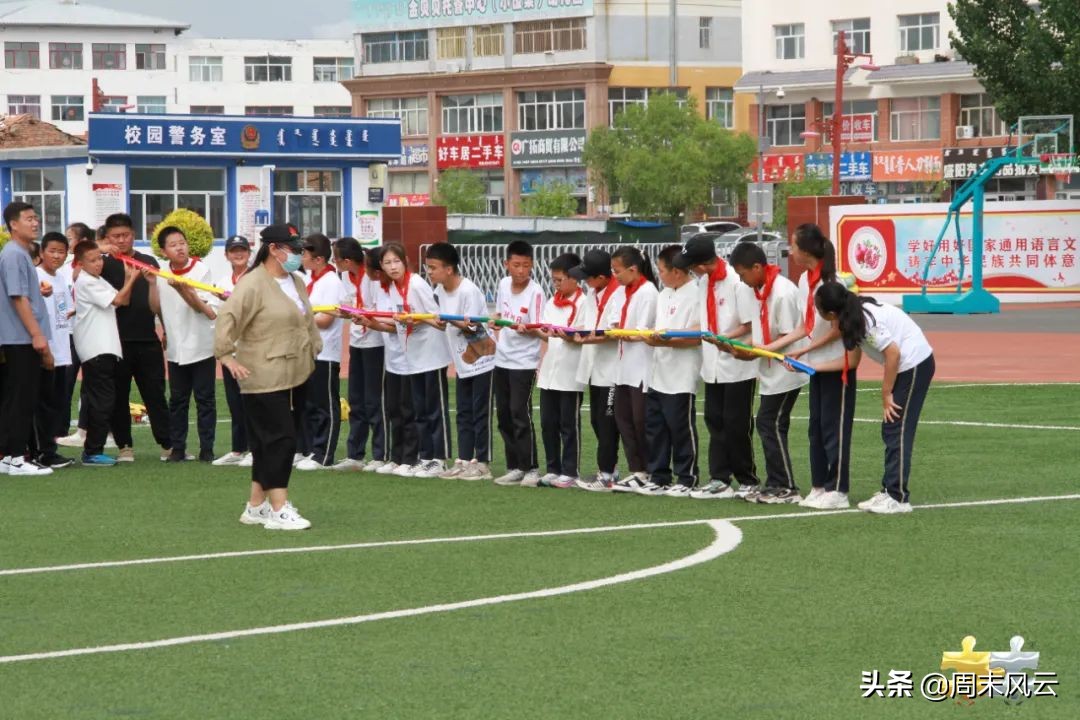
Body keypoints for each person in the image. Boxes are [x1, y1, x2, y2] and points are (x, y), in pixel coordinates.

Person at [214, 224, 321, 531]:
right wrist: (226, 356)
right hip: (261, 371)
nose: (299, 254)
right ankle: (278, 507)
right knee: (280, 439)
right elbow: (228, 318)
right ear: (274, 249)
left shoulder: (296, 280)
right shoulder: (253, 283)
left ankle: (256, 505)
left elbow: (306, 319)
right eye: (294, 248)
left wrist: (315, 346)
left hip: (296, 370)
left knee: (268, 441)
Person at [811, 282, 935, 515]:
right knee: (890, 428)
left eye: (819, 310)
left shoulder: (864, 321)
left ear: (831, 314)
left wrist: (886, 394)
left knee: (896, 428)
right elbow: (853, 362)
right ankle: (889, 489)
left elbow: (893, 353)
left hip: (915, 364)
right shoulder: (851, 317)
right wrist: (809, 366)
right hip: (906, 366)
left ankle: (898, 497)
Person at [674, 235, 760, 500]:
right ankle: (719, 478)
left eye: (691, 264)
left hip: (737, 362)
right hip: (712, 362)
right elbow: (704, 323)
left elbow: (748, 324)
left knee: (737, 423)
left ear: (702, 263)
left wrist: (724, 339)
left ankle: (747, 478)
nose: (690, 269)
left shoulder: (736, 282)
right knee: (715, 420)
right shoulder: (704, 283)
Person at [779, 224, 857, 510]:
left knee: (834, 427)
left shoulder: (835, 282)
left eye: (794, 245)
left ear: (807, 250)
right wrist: (774, 348)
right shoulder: (804, 280)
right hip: (815, 366)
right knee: (816, 427)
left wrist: (803, 351)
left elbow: (838, 329)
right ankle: (819, 485)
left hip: (838, 365)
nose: (791, 250)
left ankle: (839, 490)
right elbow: (805, 326)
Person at [728, 242, 809, 505]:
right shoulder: (757, 290)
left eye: (743, 274)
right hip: (769, 368)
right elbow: (759, 332)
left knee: (769, 422)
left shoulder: (783, 292)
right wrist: (740, 347)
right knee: (769, 423)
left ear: (757, 267)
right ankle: (776, 482)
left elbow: (788, 336)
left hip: (787, 369)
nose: (742, 280)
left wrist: (757, 351)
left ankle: (786, 485)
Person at [99, 213, 171, 462]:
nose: (121, 240)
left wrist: (167, 330)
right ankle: (124, 446)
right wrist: (102, 250)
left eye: (126, 235)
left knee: (155, 393)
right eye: (115, 236)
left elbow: (161, 301)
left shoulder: (148, 261)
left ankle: (168, 444)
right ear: (107, 238)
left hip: (147, 339)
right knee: (119, 396)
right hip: (115, 341)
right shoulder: (102, 264)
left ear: (134, 235)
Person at [634, 244, 702, 497]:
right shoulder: (664, 295)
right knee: (656, 426)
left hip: (682, 373)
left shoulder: (695, 294)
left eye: (661, 270)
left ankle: (687, 477)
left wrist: (664, 340)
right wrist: (653, 339)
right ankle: (659, 475)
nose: (659, 275)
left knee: (680, 427)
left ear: (676, 271)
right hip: (658, 370)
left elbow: (696, 335)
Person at [425, 243, 496, 481]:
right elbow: (441, 322)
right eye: (428, 267)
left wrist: (448, 319)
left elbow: (472, 326)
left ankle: (483, 462)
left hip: (482, 359)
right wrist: (432, 320)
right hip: (462, 361)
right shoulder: (439, 292)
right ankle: (464, 459)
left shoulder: (468, 291)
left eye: (433, 267)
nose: (430, 272)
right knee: (463, 411)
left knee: (480, 411)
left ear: (449, 268)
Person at [72, 240, 142, 467]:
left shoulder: (96, 280)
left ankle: (92, 449)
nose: (98, 264)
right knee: (103, 402)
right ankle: (93, 451)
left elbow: (123, 300)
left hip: (104, 350)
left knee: (101, 401)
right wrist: (131, 278)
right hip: (96, 350)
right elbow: (120, 299)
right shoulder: (86, 282)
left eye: (99, 259)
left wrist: (127, 278)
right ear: (81, 264)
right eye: (92, 260)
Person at [0, 201, 54, 476]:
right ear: (13, 224)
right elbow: (17, 297)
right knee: (22, 398)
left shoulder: (20, 253)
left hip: (21, 337)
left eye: (36, 218)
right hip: (20, 338)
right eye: (29, 219)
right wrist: (37, 335)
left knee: (18, 397)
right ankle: (16, 458)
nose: (35, 223)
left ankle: (10, 457)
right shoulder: (13, 254)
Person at [156, 226, 216, 463]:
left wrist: (183, 289)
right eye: (173, 244)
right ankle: (178, 447)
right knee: (178, 400)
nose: (180, 247)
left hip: (201, 344)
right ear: (164, 251)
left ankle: (207, 448)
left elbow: (201, 307)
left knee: (205, 399)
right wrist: (152, 284)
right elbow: (157, 306)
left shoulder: (201, 270)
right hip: (176, 348)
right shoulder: (161, 274)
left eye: (182, 242)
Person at [491, 240, 545, 487]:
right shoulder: (503, 284)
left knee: (519, 412)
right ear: (507, 265)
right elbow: (501, 314)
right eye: (516, 265)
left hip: (523, 363)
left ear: (532, 265)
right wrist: (495, 320)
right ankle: (514, 466)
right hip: (501, 359)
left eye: (526, 265)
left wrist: (527, 330)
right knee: (503, 415)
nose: (521, 270)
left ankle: (531, 467)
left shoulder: (536, 292)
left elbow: (540, 329)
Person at [570, 249, 624, 492]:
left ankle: (607, 474)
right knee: (596, 419)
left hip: (613, 370)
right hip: (595, 367)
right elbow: (587, 324)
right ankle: (610, 469)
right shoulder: (593, 292)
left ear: (602, 277)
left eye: (588, 277)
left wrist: (586, 339)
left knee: (608, 421)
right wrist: (573, 332)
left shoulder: (618, 293)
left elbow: (613, 332)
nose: (585, 282)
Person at [332, 238, 387, 473]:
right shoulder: (346, 276)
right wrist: (345, 311)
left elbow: (378, 307)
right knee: (356, 398)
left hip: (376, 341)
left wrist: (365, 317)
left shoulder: (371, 275)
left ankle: (381, 453)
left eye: (336, 259)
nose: (334, 263)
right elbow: (350, 302)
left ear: (346, 260)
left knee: (374, 399)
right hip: (357, 341)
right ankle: (355, 454)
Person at [607, 246, 659, 494]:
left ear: (633, 269)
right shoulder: (621, 292)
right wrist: (620, 331)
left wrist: (621, 332)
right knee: (623, 418)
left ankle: (650, 470)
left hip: (642, 366)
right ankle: (636, 470)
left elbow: (640, 331)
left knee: (641, 420)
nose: (614, 275)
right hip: (622, 366)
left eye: (617, 271)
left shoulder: (648, 292)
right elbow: (615, 323)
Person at [534, 252, 585, 489]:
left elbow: (583, 334)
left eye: (559, 280)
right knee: (548, 422)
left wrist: (568, 335)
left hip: (570, 371)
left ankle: (570, 470)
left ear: (575, 278)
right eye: (553, 280)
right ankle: (553, 468)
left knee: (568, 423)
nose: (556, 284)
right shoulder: (551, 302)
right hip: (550, 370)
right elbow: (545, 331)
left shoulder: (585, 303)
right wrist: (537, 330)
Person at [295, 234, 346, 470]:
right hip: (307, 350)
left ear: (319, 259)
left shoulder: (331, 282)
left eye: (305, 254)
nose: (301, 257)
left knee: (325, 404)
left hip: (325, 352)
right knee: (308, 404)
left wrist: (300, 318)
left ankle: (324, 453)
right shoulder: (309, 280)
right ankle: (310, 448)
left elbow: (325, 319)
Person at [29, 232, 74, 468]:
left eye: (61, 251)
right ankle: (41, 452)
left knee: (56, 402)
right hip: (44, 350)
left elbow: (64, 313)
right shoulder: (35, 277)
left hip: (62, 350)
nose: (57, 256)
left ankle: (49, 449)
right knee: (42, 404)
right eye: (52, 251)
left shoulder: (62, 278)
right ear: (41, 252)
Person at [211, 235, 253, 466]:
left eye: (242, 250)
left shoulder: (257, 279)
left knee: (252, 400)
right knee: (234, 401)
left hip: (252, 349)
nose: (238, 254)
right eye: (234, 251)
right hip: (230, 350)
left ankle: (255, 449)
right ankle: (238, 449)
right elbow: (219, 315)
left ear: (249, 253)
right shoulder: (222, 281)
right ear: (226, 255)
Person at [57, 222, 98, 448]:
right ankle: (60, 430)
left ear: (81, 241)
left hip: (89, 333)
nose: (67, 243)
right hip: (69, 333)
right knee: (64, 383)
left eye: (70, 238)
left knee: (91, 385)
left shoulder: (94, 265)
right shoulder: (63, 267)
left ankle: (90, 429)